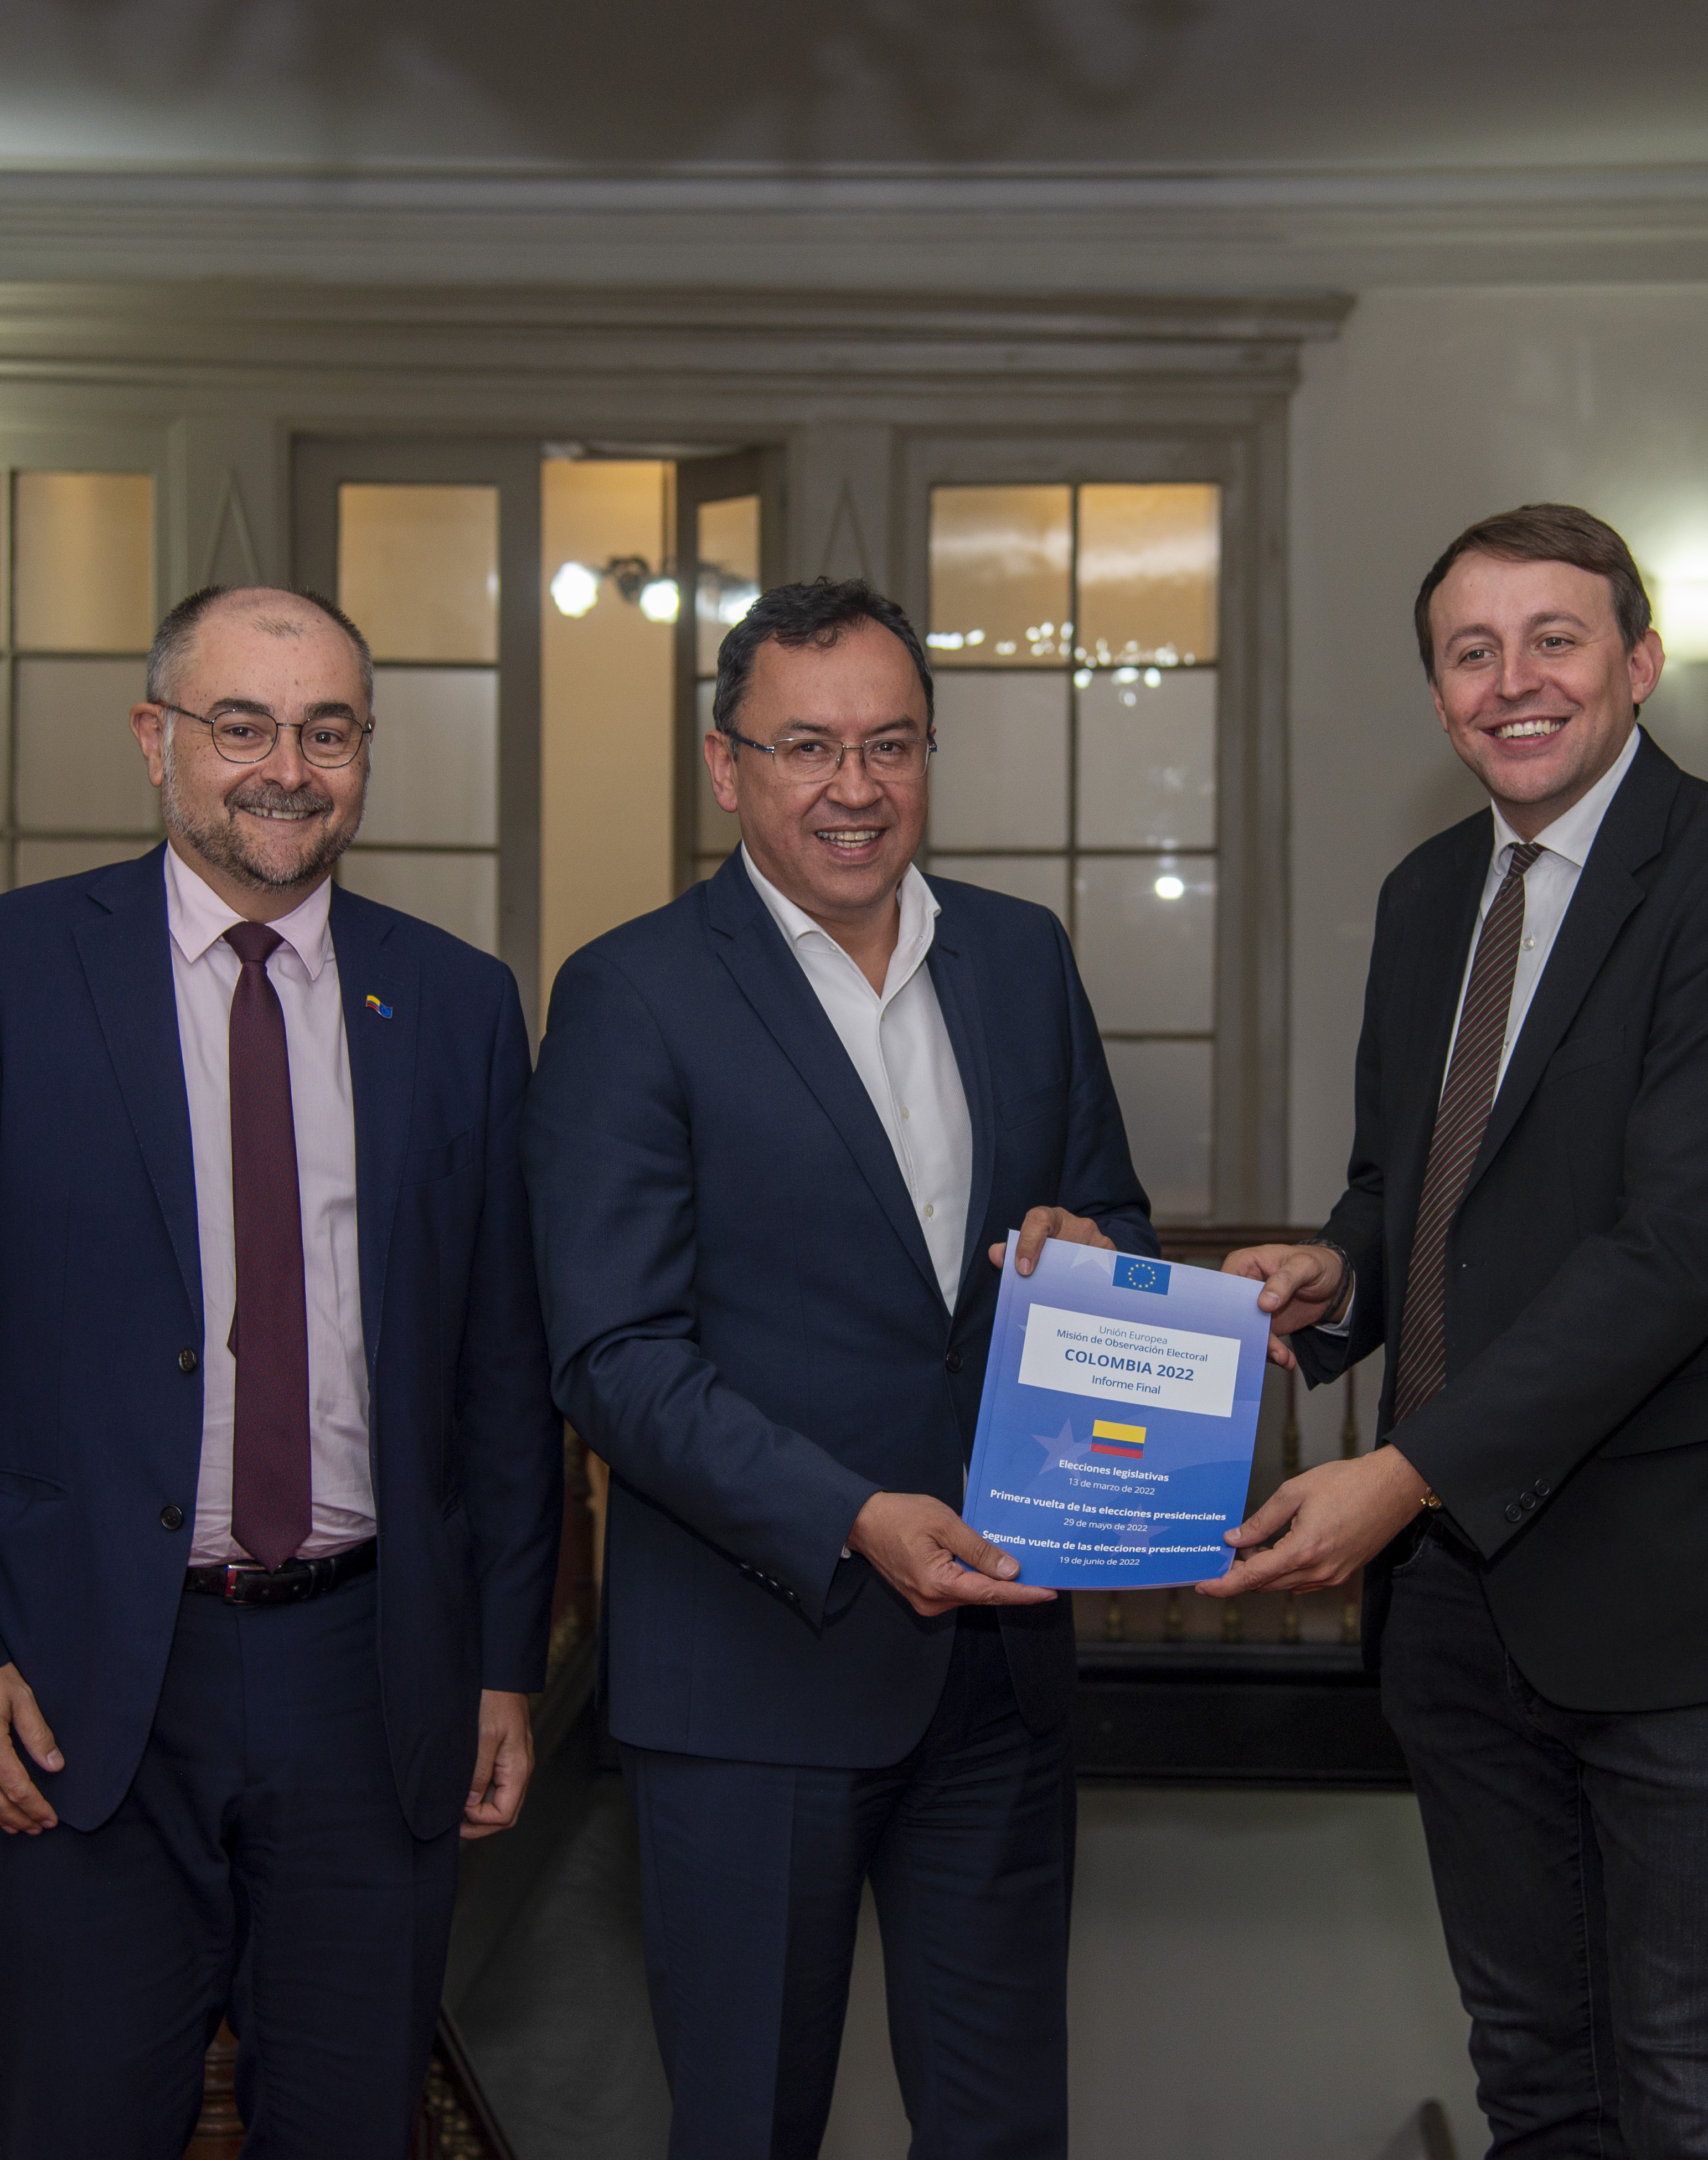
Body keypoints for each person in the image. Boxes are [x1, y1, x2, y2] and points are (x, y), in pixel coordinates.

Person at [0, 585, 565, 2159]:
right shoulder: (5, 974)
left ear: (364, 754)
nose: (286, 769)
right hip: (78, 1674)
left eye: (327, 732)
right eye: (242, 726)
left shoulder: (454, 1003)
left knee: (351, 2124)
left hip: (371, 1677)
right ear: (154, 738)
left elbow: (501, 1374)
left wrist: (504, 1664)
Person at [1210, 506, 1708, 2157]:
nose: (1513, 681)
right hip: (1454, 1607)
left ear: (1639, 662)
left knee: (1696, 2084)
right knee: (1531, 2070)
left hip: (1677, 1588)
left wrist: (1402, 1474)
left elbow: (1676, 1251)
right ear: (1439, 693)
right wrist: (1341, 1275)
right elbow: (1411, 1180)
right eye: (1471, 651)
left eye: (1553, 640)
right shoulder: (1427, 893)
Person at [526, 578, 1155, 2159]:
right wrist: (850, 1517)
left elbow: (1115, 1224)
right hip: (755, 1671)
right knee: (747, 2127)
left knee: (1004, 2129)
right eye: (805, 746)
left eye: (889, 744)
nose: (852, 787)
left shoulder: (1019, 958)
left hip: (999, 1669)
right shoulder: (632, 993)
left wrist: (1087, 1253)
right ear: (724, 764)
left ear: (929, 753)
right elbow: (611, 1356)